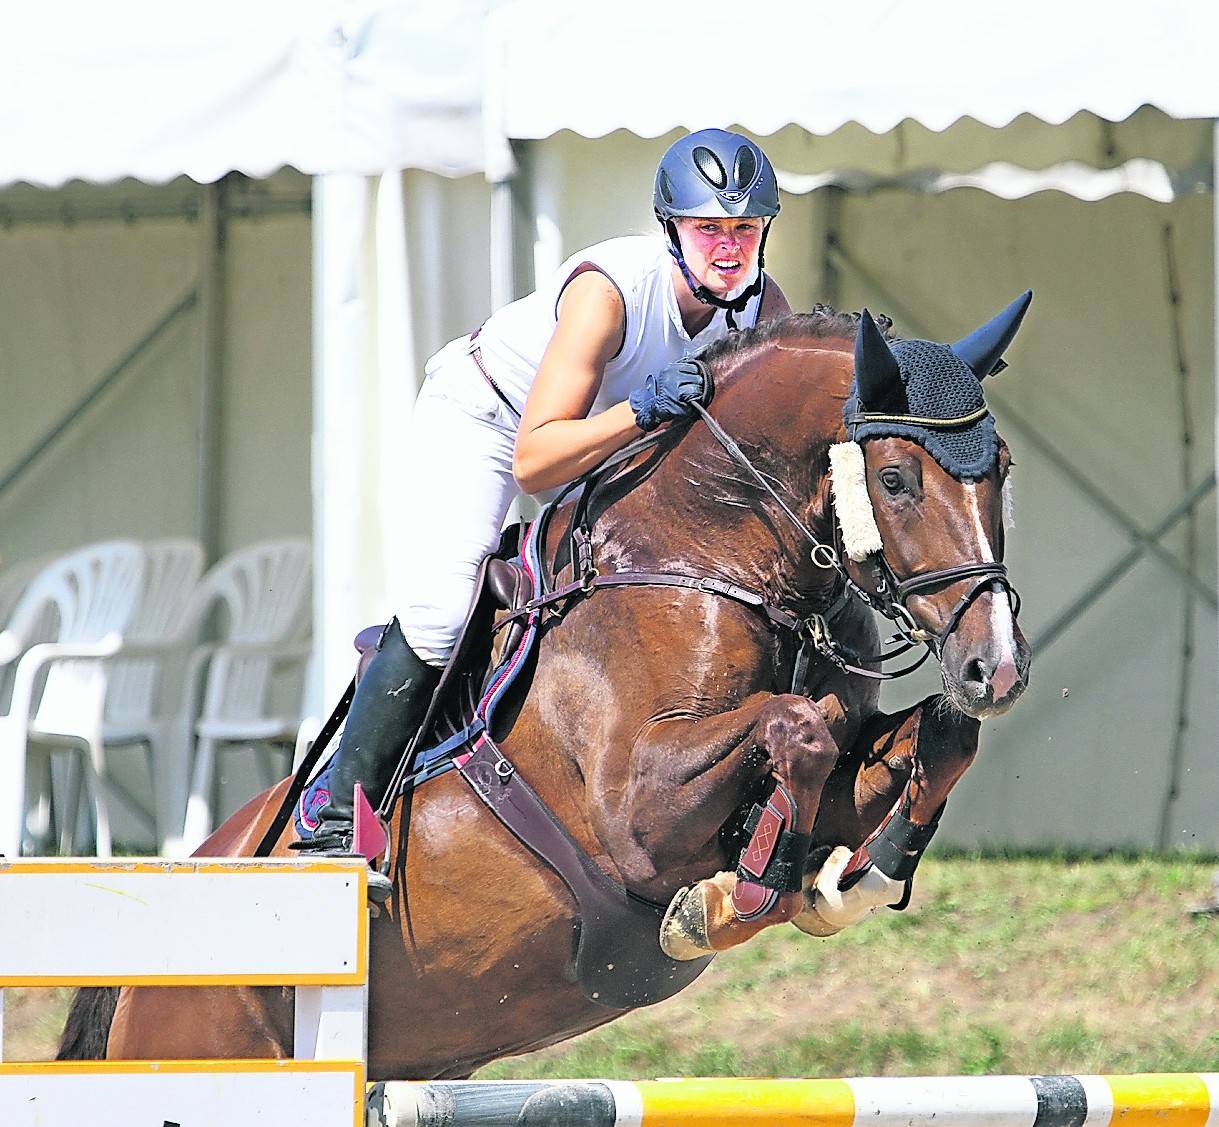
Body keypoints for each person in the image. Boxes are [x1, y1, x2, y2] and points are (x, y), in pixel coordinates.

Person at [296, 129, 792, 880]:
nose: (728, 247)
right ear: (671, 230)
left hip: (608, 440)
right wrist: (644, 412)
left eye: (743, 229)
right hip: (490, 421)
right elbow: (535, 461)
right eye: (708, 228)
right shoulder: (611, 290)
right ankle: (334, 814)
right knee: (441, 608)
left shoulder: (763, 310)